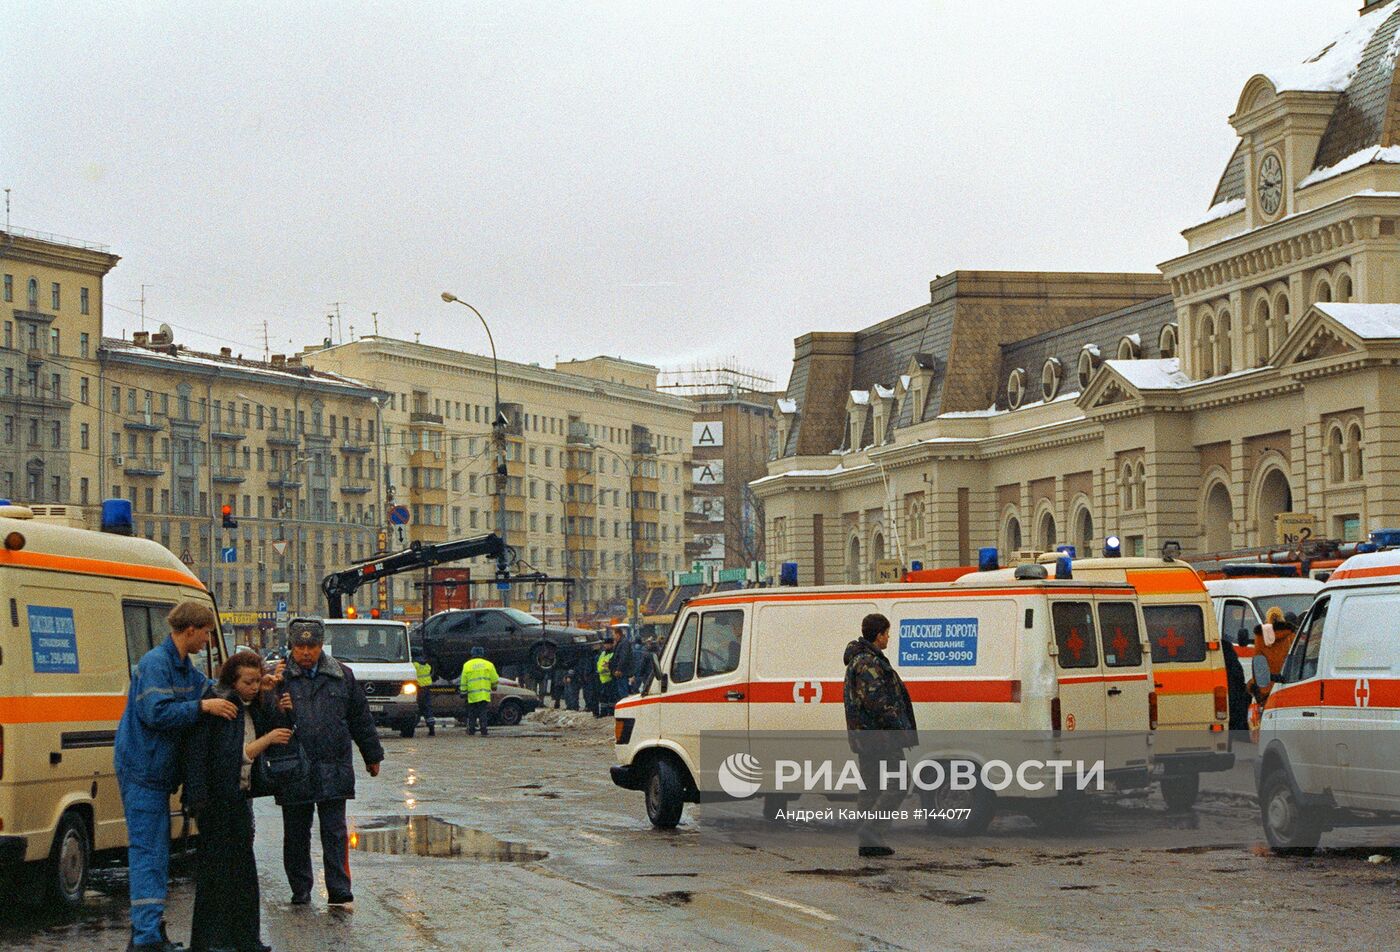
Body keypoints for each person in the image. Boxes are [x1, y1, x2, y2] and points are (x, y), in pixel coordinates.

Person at [115, 600, 235, 952]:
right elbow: (155, 713)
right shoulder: (156, 664)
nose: (208, 642)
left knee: (156, 853)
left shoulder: (183, 667)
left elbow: (211, 688)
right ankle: (146, 938)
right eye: (207, 634)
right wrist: (202, 707)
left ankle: (148, 930)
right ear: (190, 630)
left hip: (156, 770)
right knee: (148, 853)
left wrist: (251, 684)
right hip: (141, 768)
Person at [184, 651, 293, 952]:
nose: (254, 686)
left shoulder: (248, 706)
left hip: (237, 797)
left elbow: (277, 726)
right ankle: (215, 941)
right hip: (217, 800)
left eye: (257, 680)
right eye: (248, 681)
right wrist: (268, 739)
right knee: (218, 873)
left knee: (243, 873)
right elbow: (236, 757)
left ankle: (243, 939)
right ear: (232, 681)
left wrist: (274, 699)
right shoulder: (224, 707)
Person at [276, 624, 384, 908]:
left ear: (321, 645)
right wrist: (274, 702)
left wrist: (372, 755)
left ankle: (339, 889)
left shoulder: (342, 676)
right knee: (296, 833)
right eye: (300, 647)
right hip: (295, 767)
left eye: (312, 647)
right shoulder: (278, 677)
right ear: (291, 646)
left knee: (335, 832)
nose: (306, 652)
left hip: (333, 763)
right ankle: (300, 889)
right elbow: (263, 720)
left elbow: (360, 718)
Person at [843, 612, 917, 858]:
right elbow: (876, 700)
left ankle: (869, 841)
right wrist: (897, 724)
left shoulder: (863, 659)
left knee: (871, 787)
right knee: (900, 781)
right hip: (879, 736)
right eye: (886, 633)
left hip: (866, 736)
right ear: (878, 635)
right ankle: (871, 829)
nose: (888, 638)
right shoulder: (868, 663)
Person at [459, 647, 499, 736]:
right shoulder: (489, 665)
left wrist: (463, 692)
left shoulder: (467, 665)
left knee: (472, 713)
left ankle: (471, 730)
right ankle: (484, 730)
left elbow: (463, 681)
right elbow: (495, 679)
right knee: (483, 712)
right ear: (482, 654)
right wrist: (494, 686)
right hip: (483, 694)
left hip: (472, 695)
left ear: (472, 654)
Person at [412, 648, 436, 736]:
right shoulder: (427, 665)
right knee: (428, 708)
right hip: (427, 688)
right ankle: (431, 728)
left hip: (418, 689)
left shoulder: (414, 665)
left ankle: (411, 728)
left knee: (416, 708)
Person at [596, 639, 616, 717]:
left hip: (610, 678)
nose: (606, 645)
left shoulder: (613, 654)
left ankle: (611, 712)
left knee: (611, 696)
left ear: (612, 644)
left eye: (608, 644)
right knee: (603, 697)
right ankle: (603, 713)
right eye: (605, 644)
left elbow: (611, 665)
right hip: (602, 678)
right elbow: (599, 664)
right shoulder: (603, 653)